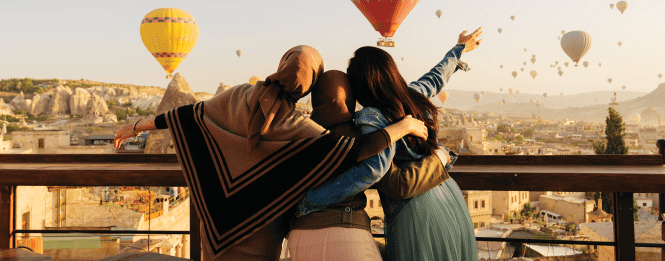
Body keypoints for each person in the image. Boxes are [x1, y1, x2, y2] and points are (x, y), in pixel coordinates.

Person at [113, 45, 429, 261]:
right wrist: (404, 127)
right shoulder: (297, 127)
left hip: (214, 226)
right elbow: (358, 151)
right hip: (262, 233)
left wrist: (137, 126)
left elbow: (186, 116)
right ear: (310, 85)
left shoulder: (238, 94)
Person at [297, 28, 484, 261]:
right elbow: (436, 77)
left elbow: (374, 169)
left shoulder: (372, 116)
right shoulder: (411, 95)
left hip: (416, 211)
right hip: (448, 197)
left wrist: (311, 200)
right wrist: (460, 49)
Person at [287, 70, 454, 261]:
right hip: (345, 228)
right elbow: (374, 170)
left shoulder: (297, 133)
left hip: (298, 234)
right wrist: (404, 129)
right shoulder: (359, 134)